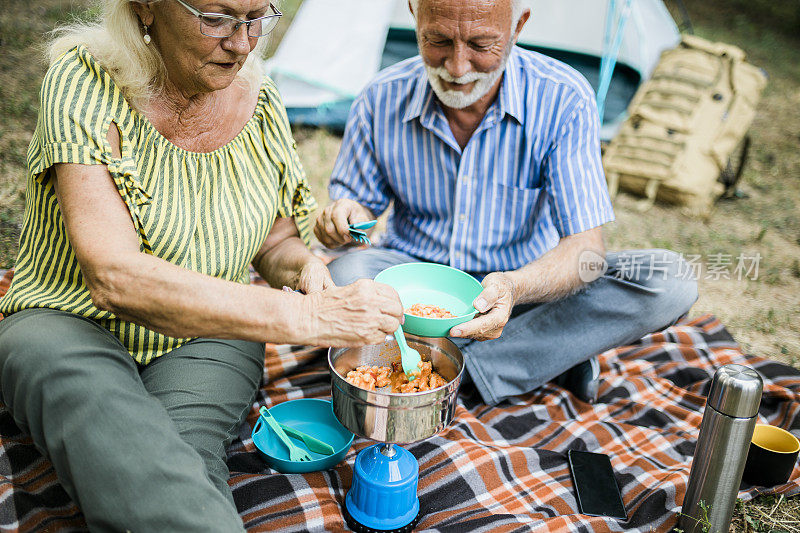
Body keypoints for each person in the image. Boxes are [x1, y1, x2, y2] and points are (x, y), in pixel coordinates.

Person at [0, 1, 404, 531]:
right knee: (103, 412)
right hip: (68, 322)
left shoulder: (261, 101)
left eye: (258, 17)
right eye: (216, 18)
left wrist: (304, 268)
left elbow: (275, 240)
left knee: (172, 461)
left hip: (212, 334)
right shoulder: (83, 79)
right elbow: (114, 277)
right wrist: (310, 321)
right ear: (147, 8)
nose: (243, 42)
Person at [315, 0, 698, 407]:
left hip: (522, 296)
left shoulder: (564, 98)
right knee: (346, 272)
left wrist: (514, 286)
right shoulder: (380, 97)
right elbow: (357, 220)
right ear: (415, 14)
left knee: (668, 280)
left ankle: (446, 368)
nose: (458, 67)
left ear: (518, 27)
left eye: (482, 45)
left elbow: (584, 249)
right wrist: (345, 218)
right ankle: (535, 358)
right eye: (438, 40)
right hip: (414, 297)